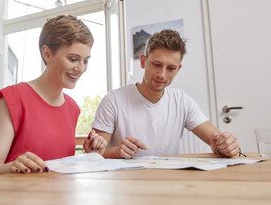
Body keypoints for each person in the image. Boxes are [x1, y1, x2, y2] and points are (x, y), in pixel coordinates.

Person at [0, 15, 107, 178]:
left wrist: (90, 155)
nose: (80, 68)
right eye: (73, 59)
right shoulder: (13, 99)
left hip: (58, 199)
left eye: (86, 61)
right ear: (47, 54)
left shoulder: (72, 108)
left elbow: (58, 167)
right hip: (16, 198)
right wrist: (14, 166)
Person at [86, 29, 239, 159]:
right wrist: (116, 152)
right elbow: (94, 154)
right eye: (157, 65)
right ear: (143, 61)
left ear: (178, 69)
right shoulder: (113, 100)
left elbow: (216, 140)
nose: (162, 75)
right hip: (126, 184)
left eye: (170, 68)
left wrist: (226, 145)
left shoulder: (182, 101)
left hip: (167, 182)